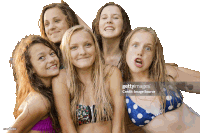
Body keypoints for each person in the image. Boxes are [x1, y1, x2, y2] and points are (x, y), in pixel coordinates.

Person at [120, 27, 200, 133]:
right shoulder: (123, 88)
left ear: (154, 56)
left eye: (148, 48)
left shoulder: (164, 73)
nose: (140, 52)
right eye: (135, 45)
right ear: (126, 50)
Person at [52, 25, 125, 133]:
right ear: (66, 52)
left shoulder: (112, 73)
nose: (82, 52)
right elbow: (67, 127)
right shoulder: (61, 79)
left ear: (95, 47)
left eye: (87, 45)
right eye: (74, 47)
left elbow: (119, 123)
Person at [8, 35, 62, 133]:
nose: (51, 60)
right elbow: (12, 131)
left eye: (52, 53)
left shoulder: (49, 92)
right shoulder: (40, 101)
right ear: (31, 68)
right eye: (41, 58)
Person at [92, 2, 131, 68]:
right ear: (97, 25)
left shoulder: (130, 59)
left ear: (124, 26)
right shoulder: (90, 56)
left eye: (115, 18)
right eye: (104, 18)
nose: (109, 21)